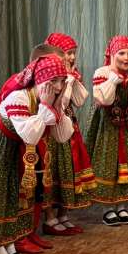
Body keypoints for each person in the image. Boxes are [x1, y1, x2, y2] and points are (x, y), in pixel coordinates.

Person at [0, 54, 72, 254]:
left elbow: (62, 135)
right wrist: (46, 106)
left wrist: (57, 107)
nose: (58, 87)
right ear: (39, 80)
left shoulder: (47, 100)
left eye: (62, 81)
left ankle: (10, 249)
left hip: (12, 150)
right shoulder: (19, 97)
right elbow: (30, 135)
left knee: (12, 198)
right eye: (53, 81)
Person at [87, 36, 128, 226]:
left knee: (126, 163)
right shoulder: (103, 73)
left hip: (125, 126)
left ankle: (122, 206)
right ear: (112, 54)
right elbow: (104, 100)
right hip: (105, 126)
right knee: (107, 163)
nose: (126, 58)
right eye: (121, 53)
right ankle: (107, 209)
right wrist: (114, 81)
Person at [41, 33, 95, 238]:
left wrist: (72, 80)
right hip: (52, 128)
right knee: (52, 169)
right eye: (67, 53)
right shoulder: (48, 76)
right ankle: (49, 217)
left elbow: (79, 101)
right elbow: (60, 103)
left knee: (70, 167)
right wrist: (68, 82)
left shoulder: (72, 75)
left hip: (69, 125)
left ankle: (64, 214)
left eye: (73, 53)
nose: (71, 57)